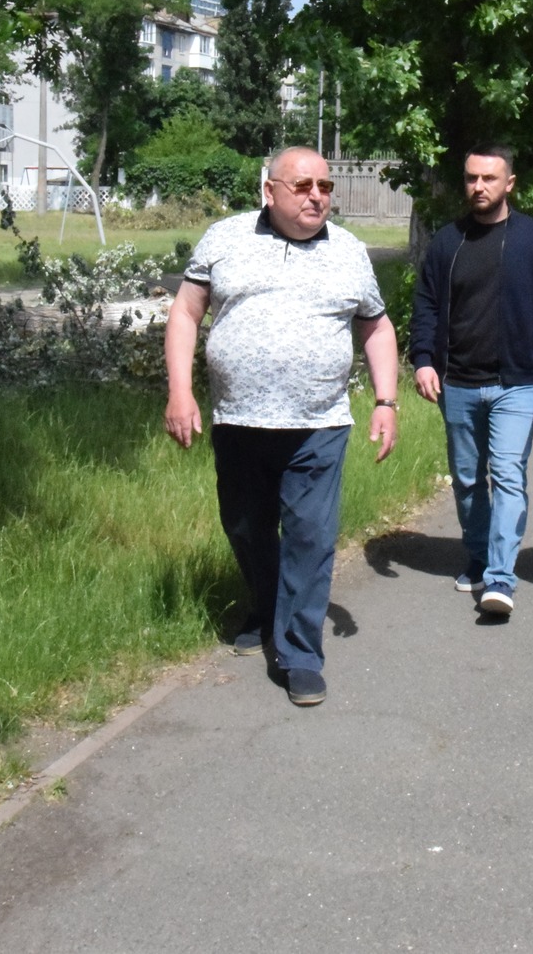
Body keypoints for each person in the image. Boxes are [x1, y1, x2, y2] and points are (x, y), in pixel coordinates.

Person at [163, 146, 402, 708]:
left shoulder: (348, 251)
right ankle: (267, 607)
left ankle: (299, 655)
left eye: (325, 186)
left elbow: (376, 328)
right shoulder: (225, 239)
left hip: (319, 424)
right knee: (246, 528)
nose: (317, 196)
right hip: (239, 420)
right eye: (303, 185)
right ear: (269, 191)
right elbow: (186, 313)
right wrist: (179, 390)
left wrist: (386, 401)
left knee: (310, 538)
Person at [410, 144, 533, 619]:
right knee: (466, 479)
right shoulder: (447, 241)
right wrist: (423, 360)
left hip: (517, 383)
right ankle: (478, 558)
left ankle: (500, 578)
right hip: (456, 382)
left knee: (507, 474)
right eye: (471, 178)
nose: (478, 186)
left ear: (509, 183)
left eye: (489, 178)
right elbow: (426, 305)